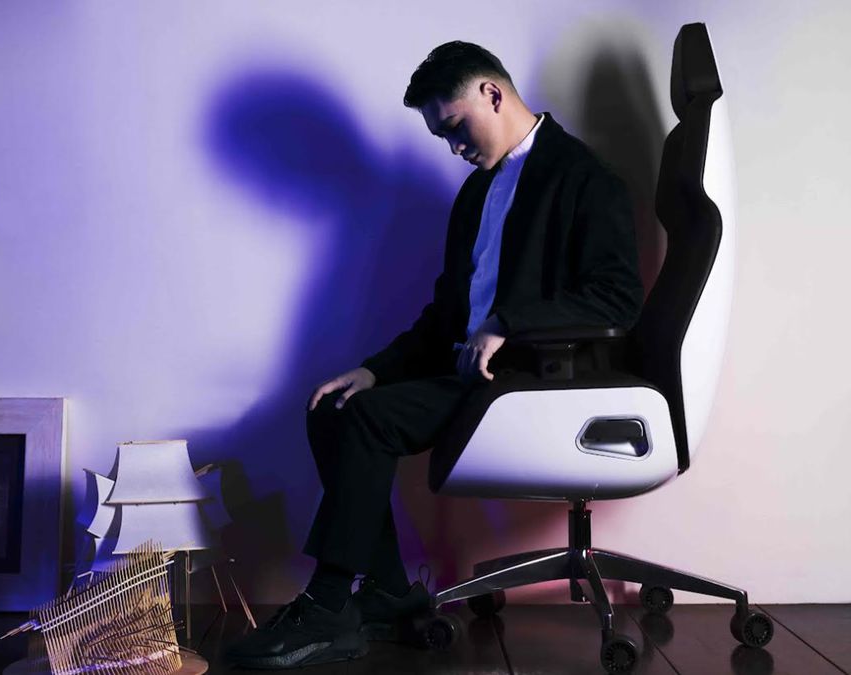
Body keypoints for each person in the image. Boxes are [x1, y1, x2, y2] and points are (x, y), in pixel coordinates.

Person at [225, 41, 643, 669]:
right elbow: (445, 317)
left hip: (535, 384)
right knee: (337, 407)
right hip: (470, 377)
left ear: (492, 94)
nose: (453, 147)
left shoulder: (585, 178)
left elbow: (618, 299)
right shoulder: (476, 194)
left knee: (365, 422)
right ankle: (390, 592)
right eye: (442, 137)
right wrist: (374, 370)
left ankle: (329, 603)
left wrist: (512, 322)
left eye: (454, 126)